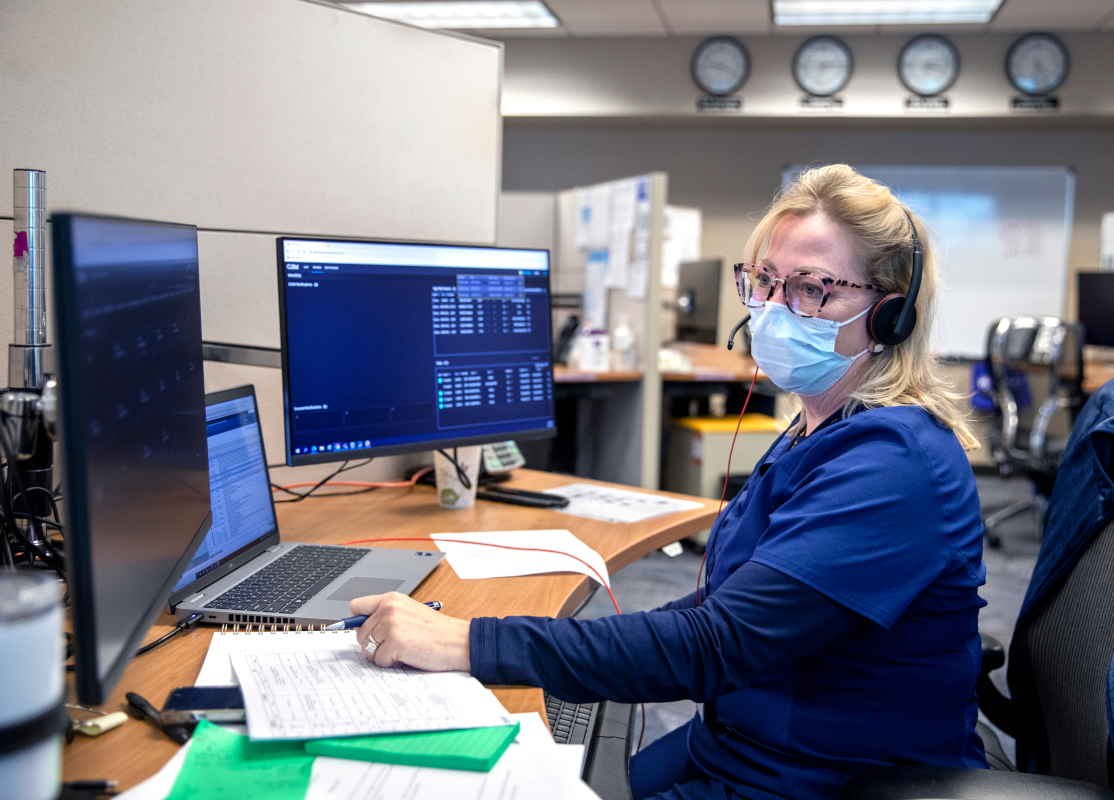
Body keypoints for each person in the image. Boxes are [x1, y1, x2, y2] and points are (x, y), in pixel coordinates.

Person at [348, 164, 989, 800]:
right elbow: (726, 611)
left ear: (890, 317)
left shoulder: (896, 465)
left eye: (811, 289)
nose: (772, 309)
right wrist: (513, 641)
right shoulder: (819, 428)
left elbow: (721, 644)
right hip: (738, 742)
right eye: (764, 281)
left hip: (822, 779)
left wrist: (470, 641)